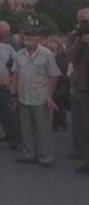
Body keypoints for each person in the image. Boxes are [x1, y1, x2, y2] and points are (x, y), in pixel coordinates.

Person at [12, 28, 61, 167]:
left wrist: (50, 97)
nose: (29, 40)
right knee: (25, 129)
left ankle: (45, 157)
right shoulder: (19, 54)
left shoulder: (47, 54)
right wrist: (13, 94)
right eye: (27, 37)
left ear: (38, 39)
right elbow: (15, 74)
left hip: (41, 97)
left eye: (32, 37)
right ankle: (29, 155)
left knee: (43, 128)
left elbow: (53, 76)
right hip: (24, 96)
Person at [66, 8, 89, 174]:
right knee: (84, 123)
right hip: (82, 85)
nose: (86, 24)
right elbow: (71, 57)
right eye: (83, 21)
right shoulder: (74, 36)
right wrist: (81, 41)